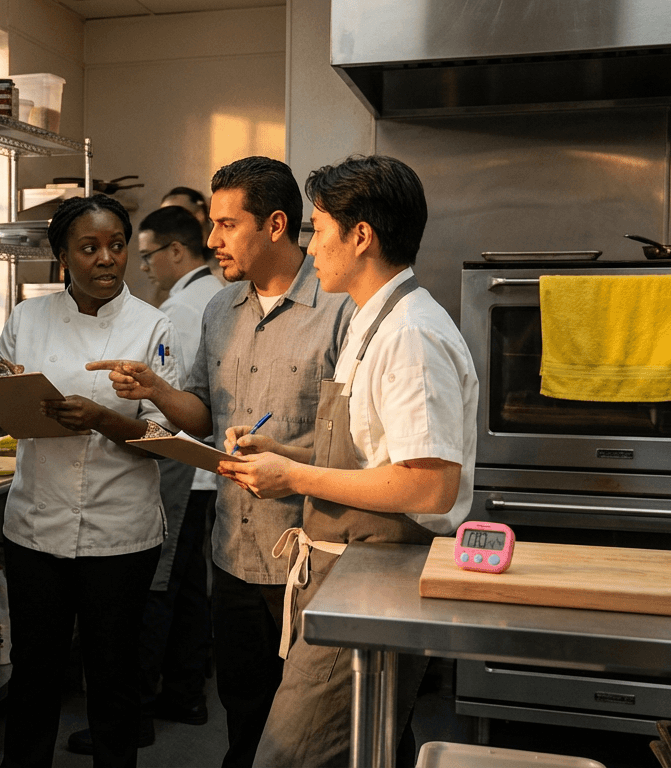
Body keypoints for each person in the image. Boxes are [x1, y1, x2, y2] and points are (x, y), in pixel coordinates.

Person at [88, 157, 354, 767]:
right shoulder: (219, 311)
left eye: (227, 225)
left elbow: (358, 443)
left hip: (310, 557)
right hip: (233, 550)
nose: (211, 241)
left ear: (278, 225)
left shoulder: (340, 310)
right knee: (243, 710)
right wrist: (156, 390)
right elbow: (206, 415)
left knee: (312, 733)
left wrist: (285, 456)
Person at [217, 155, 478, 767]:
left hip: (377, 577)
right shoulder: (372, 317)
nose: (309, 249)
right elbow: (366, 453)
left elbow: (430, 488)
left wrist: (294, 477)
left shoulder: (411, 334)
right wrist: (282, 451)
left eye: (318, 229)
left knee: (287, 756)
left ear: (361, 236)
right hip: (345, 576)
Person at [0, 194, 180, 768]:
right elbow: (3, 414)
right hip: (36, 528)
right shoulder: (28, 317)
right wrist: (4, 393)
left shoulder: (153, 326)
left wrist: (102, 419)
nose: (106, 259)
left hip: (120, 534)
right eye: (89, 247)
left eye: (116, 246)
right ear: (63, 257)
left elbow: (162, 438)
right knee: (35, 677)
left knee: (113, 679)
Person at [65, 205, 222, 756]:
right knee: (185, 591)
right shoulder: (218, 295)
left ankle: (143, 712)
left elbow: (169, 405)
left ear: (175, 252)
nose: (143, 265)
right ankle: (184, 694)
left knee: (158, 590)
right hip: (205, 470)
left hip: (179, 462)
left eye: (142, 251)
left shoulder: (174, 310)